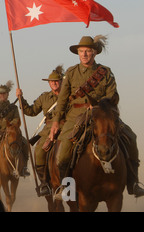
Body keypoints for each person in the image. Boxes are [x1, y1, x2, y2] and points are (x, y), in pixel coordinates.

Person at [50, 35, 144, 199]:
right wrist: (56, 121)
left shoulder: (105, 72)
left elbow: (112, 94)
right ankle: (66, 189)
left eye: (88, 51)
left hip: (102, 114)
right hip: (76, 115)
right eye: (81, 51)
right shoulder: (71, 73)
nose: (84, 54)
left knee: (131, 137)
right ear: (78, 53)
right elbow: (63, 99)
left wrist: (101, 106)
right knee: (64, 150)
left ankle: (133, 183)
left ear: (94, 53)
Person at [16, 65, 64, 196]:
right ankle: (44, 183)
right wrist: (21, 99)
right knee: (38, 151)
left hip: (66, 126)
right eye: (51, 81)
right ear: (48, 83)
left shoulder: (68, 95)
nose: (54, 83)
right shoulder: (44, 98)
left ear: (61, 81)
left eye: (56, 81)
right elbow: (31, 111)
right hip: (48, 130)